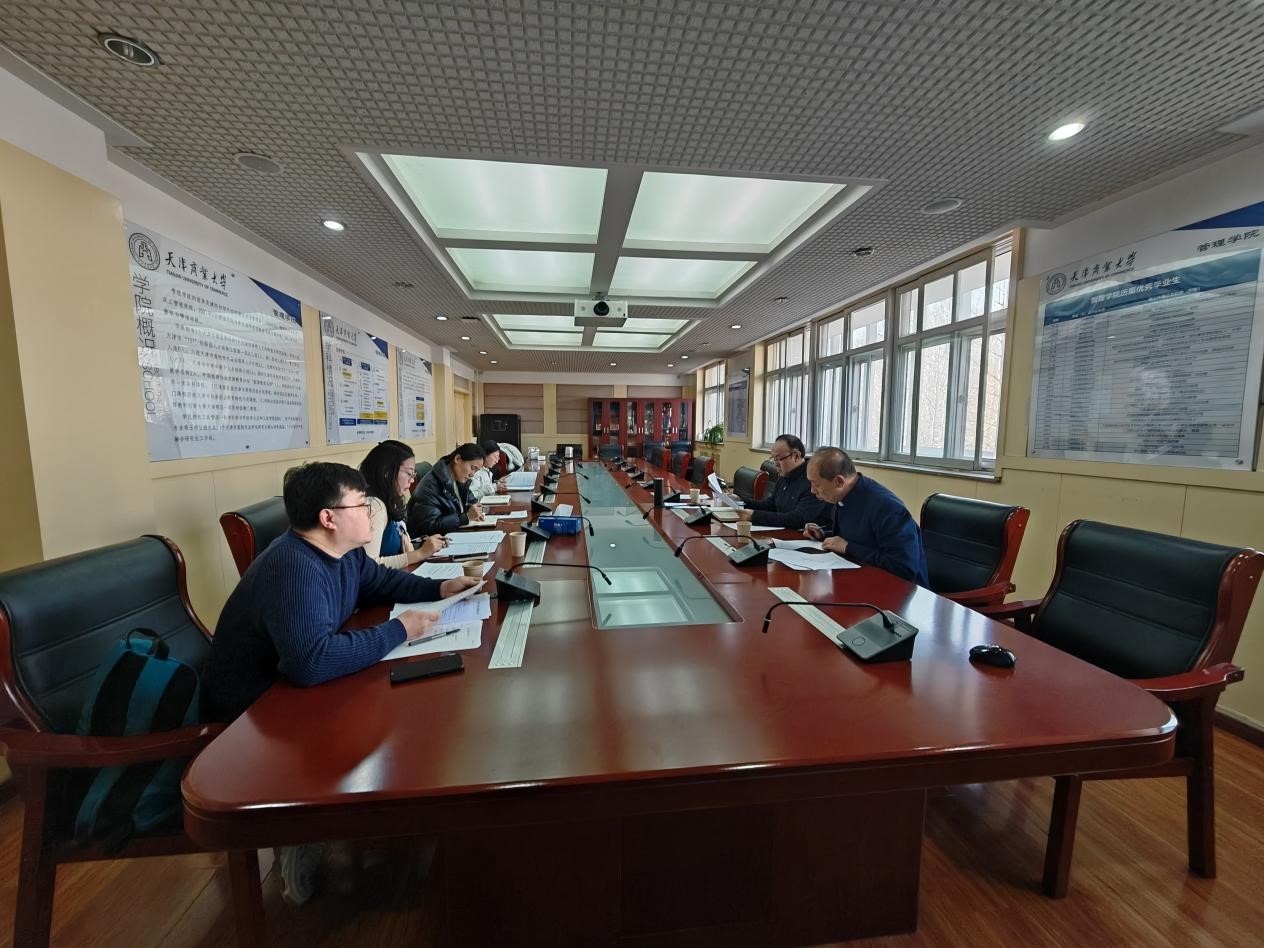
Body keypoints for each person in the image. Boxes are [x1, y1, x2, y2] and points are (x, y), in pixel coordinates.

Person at [202, 461, 480, 904]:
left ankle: (365, 816)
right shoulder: (293, 566)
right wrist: (400, 630)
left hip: (291, 688)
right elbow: (311, 662)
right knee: (391, 716)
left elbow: (381, 581)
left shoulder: (344, 552)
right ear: (328, 518)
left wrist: (440, 588)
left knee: (403, 707)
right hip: (257, 711)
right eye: (361, 504)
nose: (371, 512)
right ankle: (298, 825)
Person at [803, 446, 929, 586]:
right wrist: (823, 534)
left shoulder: (887, 508)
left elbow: (903, 568)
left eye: (816, 484)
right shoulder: (845, 495)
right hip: (859, 580)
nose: (812, 490)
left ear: (839, 482)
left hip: (903, 591)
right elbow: (861, 537)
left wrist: (848, 547)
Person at [358, 440, 447, 567]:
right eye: (409, 473)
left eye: (414, 474)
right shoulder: (375, 506)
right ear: (387, 472)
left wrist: (423, 544)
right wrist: (421, 553)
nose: (412, 480)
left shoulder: (390, 501)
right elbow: (369, 566)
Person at [733, 434, 831, 530]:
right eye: (773, 459)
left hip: (804, 536)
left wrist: (754, 516)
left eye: (779, 459)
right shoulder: (784, 476)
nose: (776, 464)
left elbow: (798, 519)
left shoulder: (812, 480)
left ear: (796, 456)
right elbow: (770, 505)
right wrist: (740, 500)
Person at [407, 442, 485, 537]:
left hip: (452, 534)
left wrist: (476, 509)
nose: (472, 474)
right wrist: (466, 517)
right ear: (457, 459)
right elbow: (430, 526)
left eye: (476, 471)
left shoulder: (460, 478)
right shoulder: (430, 486)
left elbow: (471, 501)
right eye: (472, 468)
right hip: (430, 541)